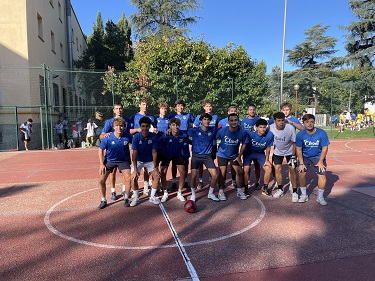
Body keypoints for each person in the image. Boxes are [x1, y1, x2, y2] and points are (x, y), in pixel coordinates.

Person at [97, 117, 133, 209]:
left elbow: (136, 145)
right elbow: (100, 150)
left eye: (121, 126)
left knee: (129, 178)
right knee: (101, 180)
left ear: (124, 127)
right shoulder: (107, 138)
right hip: (109, 161)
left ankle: (126, 198)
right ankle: (103, 200)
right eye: (117, 126)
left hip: (123, 161)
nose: (119, 128)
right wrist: (101, 164)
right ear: (113, 127)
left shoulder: (128, 136)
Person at [296, 114, 330, 206]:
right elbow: (298, 149)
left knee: (322, 174)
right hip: (305, 157)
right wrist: (301, 163)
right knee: (301, 172)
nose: (309, 124)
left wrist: (320, 161)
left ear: (314, 122)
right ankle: (304, 194)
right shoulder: (300, 135)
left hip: (318, 157)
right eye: (307, 122)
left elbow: (325, 148)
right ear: (303, 123)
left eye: (311, 122)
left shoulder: (321, 133)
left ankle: (320, 197)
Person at [100, 103, 130, 201]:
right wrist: (105, 135)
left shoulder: (127, 120)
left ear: (123, 110)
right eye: (116, 109)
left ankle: (124, 190)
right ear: (114, 110)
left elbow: (130, 132)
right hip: (111, 153)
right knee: (112, 173)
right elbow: (101, 135)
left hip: (123, 153)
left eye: (120, 108)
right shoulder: (109, 122)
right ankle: (113, 191)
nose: (119, 110)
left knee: (125, 174)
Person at [216, 113, 249, 200]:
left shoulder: (242, 132)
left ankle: (239, 190)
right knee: (222, 172)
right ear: (228, 122)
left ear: (238, 121)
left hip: (234, 155)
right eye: (232, 120)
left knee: (239, 172)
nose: (234, 122)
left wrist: (239, 155)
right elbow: (214, 139)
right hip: (222, 154)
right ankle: (221, 191)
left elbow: (244, 144)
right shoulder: (222, 131)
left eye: (235, 120)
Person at [188, 113, 219, 202]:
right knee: (193, 176)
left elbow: (224, 130)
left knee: (215, 175)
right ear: (201, 121)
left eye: (208, 119)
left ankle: (210, 193)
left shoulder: (213, 130)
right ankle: (193, 194)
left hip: (207, 156)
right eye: (204, 119)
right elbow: (183, 133)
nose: (206, 121)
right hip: (196, 156)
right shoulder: (194, 130)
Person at [129, 98, 157, 192]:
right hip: (138, 143)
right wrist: (137, 130)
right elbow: (129, 130)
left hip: (149, 144)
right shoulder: (134, 117)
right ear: (139, 105)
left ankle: (146, 188)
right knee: (134, 173)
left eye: (147, 104)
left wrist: (155, 130)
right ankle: (134, 193)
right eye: (143, 104)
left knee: (147, 169)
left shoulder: (152, 118)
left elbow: (154, 129)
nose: (145, 106)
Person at [131, 117, 161, 206]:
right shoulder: (136, 137)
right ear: (140, 127)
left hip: (150, 161)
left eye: (147, 126)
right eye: (143, 126)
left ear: (149, 127)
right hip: (139, 161)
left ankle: (152, 196)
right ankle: (136, 197)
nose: (145, 128)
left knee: (156, 176)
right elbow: (134, 154)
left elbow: (154, 153)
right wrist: (135, 169)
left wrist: (155, 168)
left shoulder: (154, 136)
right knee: (133, 178)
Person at [268, 112, 298, 202]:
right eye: (279, 121)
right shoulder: (270, 128)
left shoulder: (290, 128)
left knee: (292, 169)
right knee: (277, 169)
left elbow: (295, 142)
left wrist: (293, 156)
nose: (281, 123)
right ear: (274, 121)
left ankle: (295, 191)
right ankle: (280, 189)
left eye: (282, 120)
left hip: (290, 151)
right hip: (278, 151)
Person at [158, 118, 190, 202]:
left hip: (177, 155)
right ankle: (165, 193)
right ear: (170, 126)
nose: (176, 127)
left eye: (177, 125)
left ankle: (179, 193)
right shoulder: (166, 135)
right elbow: (157, 143)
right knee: (163, 172)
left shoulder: (183, 135)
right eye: (173, 125)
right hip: (166, 155)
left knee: (183, 171)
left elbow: (190, 142)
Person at [168, 99, 195, 191]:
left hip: (184, 141)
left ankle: (185, 180)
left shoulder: (188, 116)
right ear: (175, 107)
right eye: (179, 105)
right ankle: (174, 181)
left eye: (182, 105)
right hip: (175, 142)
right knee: (175, 162)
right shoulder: (172, 116)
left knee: (186, 161)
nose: (181, 107)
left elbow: (196, 123)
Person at [243, 118, 274, 196]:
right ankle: (246, 189)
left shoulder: (270, 135)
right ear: (257, 128)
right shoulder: (250, 134)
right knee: (246, 169)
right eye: (261, 127)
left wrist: (267, 159)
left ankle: (265, 189)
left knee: (268, 168)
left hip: (259, 153)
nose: (263, 129)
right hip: (248, 153)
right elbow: (243, 142)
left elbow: (268, 147)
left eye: (264, 127)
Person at [193, 100, 219, 189]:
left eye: (210, 106)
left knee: (210, 162)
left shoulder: (215, 117)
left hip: (213, 143)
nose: (209, 107)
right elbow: (195, 127)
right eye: (207, 106)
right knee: (200, 164)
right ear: (204, 107)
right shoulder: (199, 117)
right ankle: (200, 181)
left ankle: (210, 179)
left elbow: (217, 128)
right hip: (201, 144)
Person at [218, 104, 241, 188]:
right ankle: (222, 183)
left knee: (235, 168)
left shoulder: (239, 122)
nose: (233, 112)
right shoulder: (221, 122)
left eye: (235, 111)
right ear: (228, 112)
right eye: (231, 111)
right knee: (223, 170)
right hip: (224, 150)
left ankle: (234, 180)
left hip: (234, 150)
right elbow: (218, 133)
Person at [241, 104, 262, 190]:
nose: (252, 111)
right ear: (247, 111)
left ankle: (257, 182)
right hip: (247, 147)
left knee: (257, 166)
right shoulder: (243, 121)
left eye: (253, 109)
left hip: (257, 147)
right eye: (250, 109)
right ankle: (247, 181)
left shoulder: (259, 120)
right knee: (247, 166)